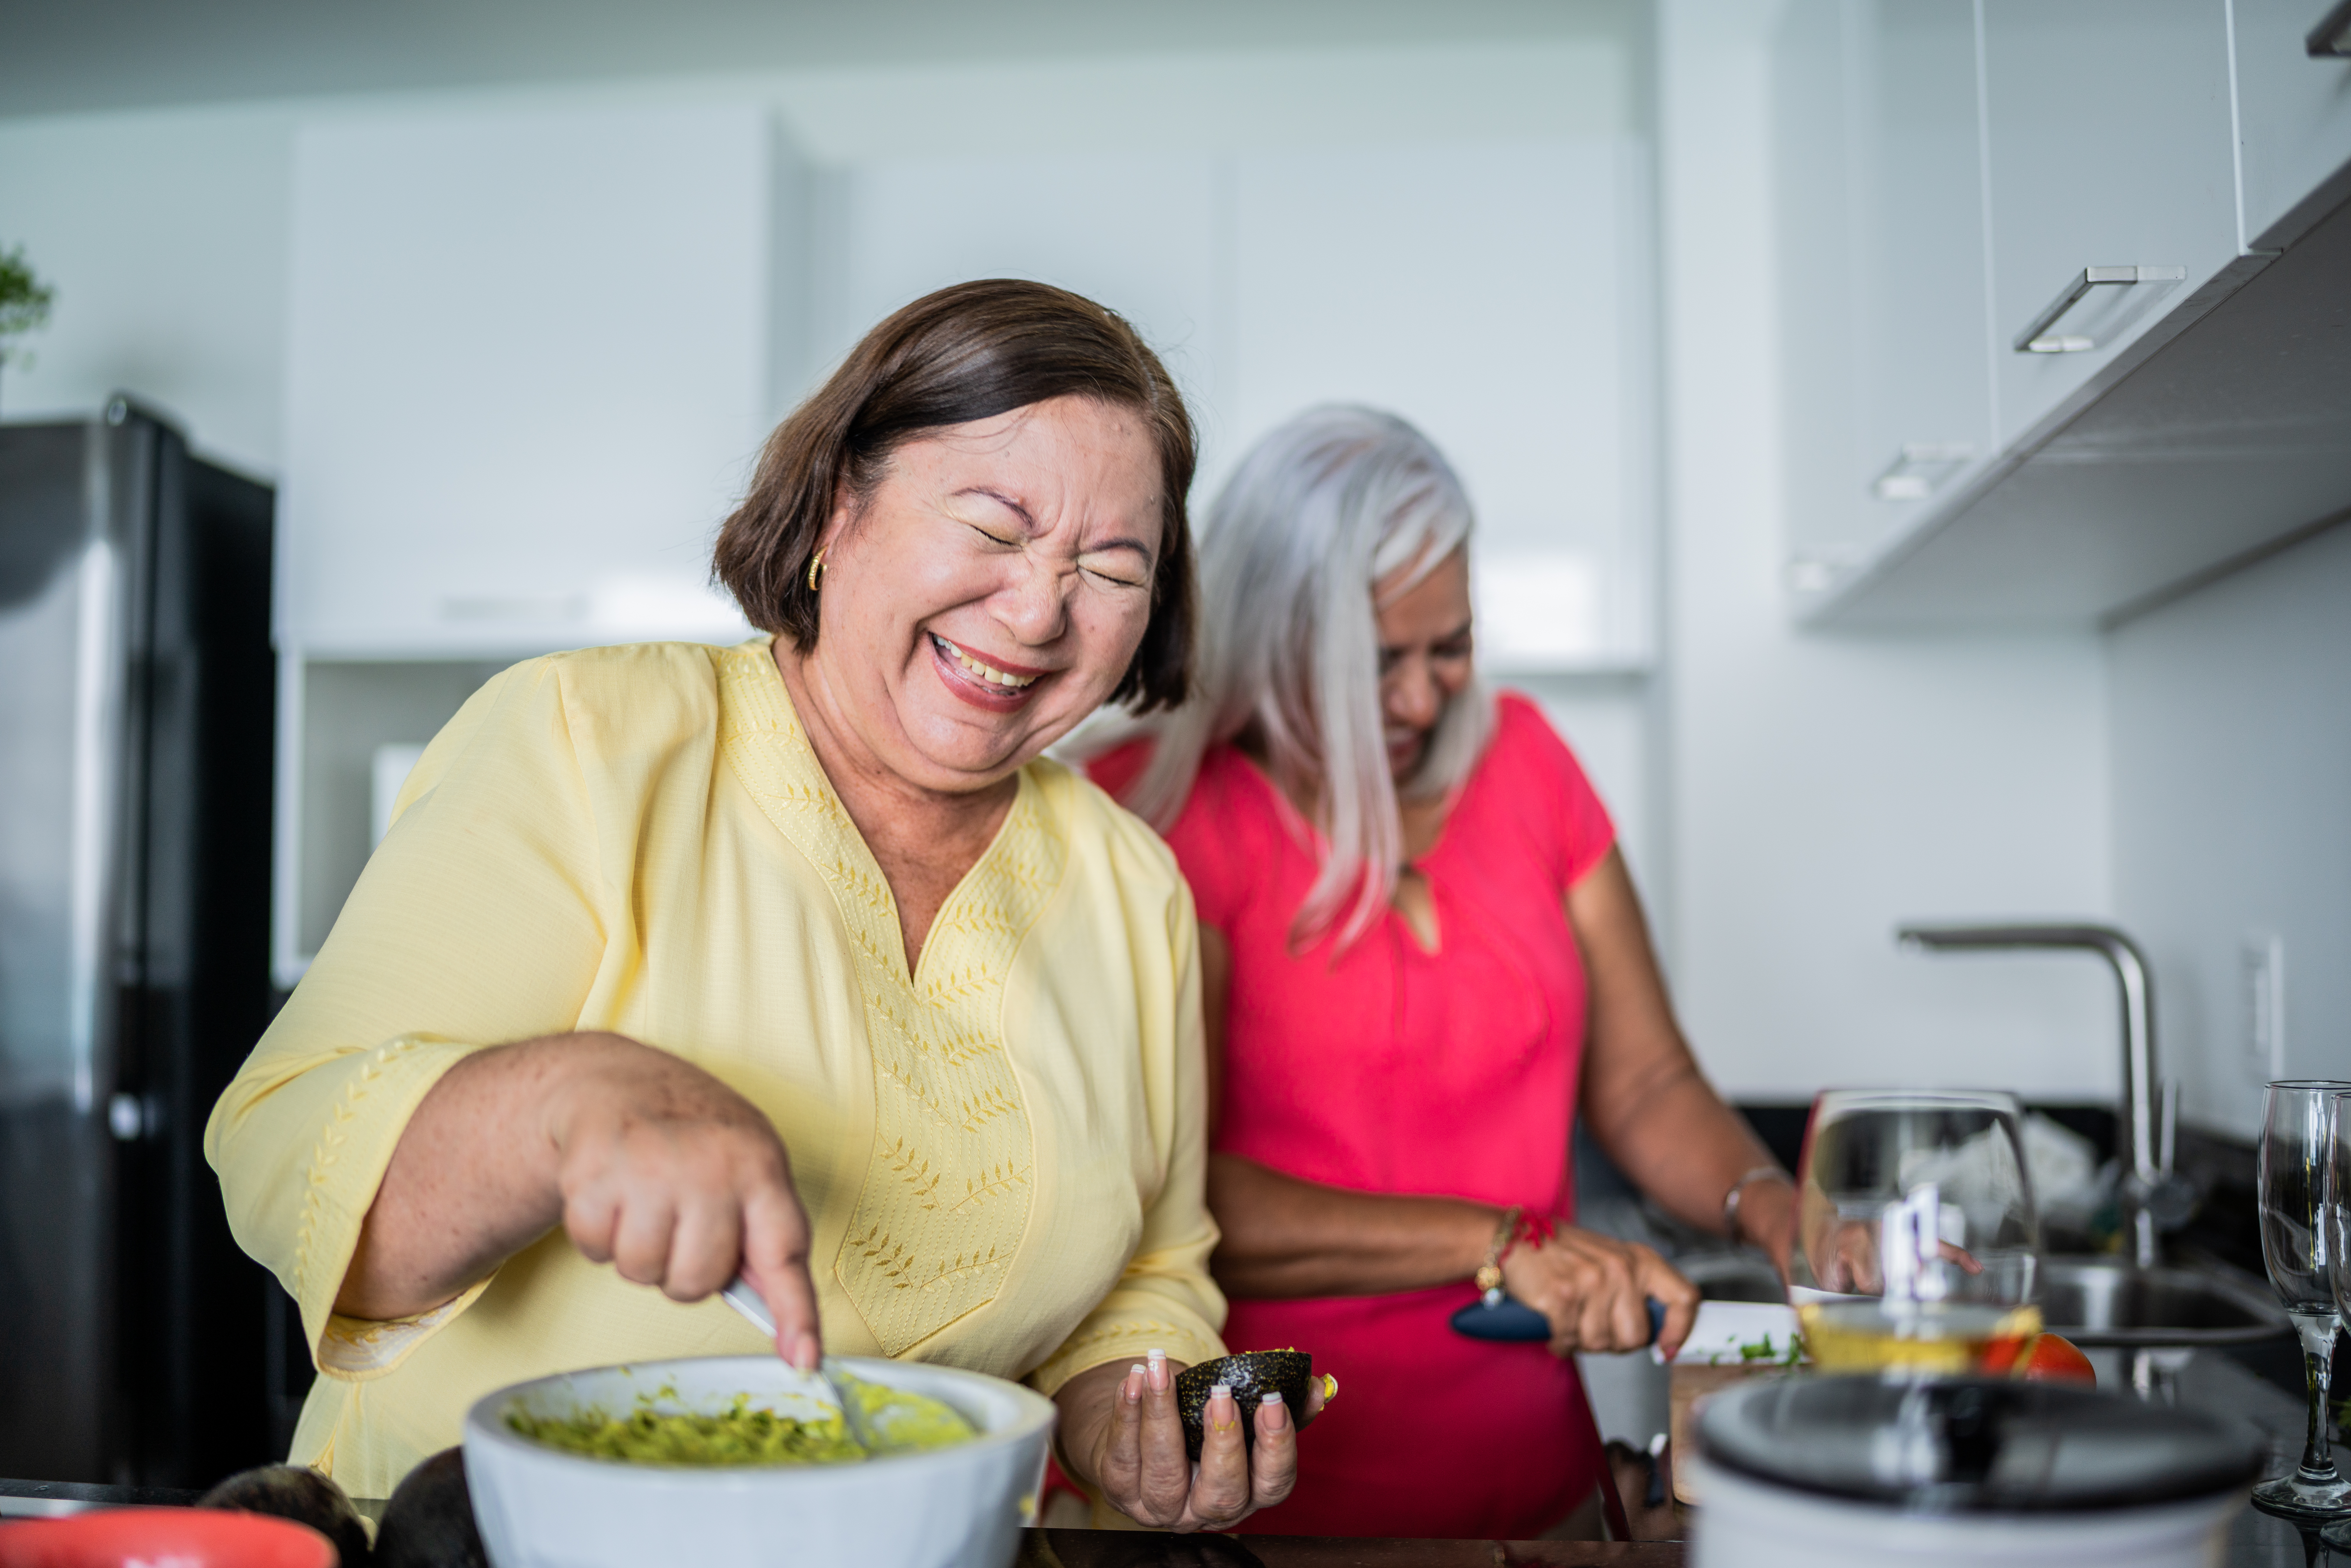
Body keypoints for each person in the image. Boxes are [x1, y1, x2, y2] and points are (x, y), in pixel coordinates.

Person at [205, 280, 1320, 1521]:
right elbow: (284, 1147)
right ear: (840, 505)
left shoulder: (1131, 888)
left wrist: (1133, 1430)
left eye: (1112, 568)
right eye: (997, 530)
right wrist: (565, 1105)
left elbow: (1145, 1275)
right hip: (491, 1543)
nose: (1041, 611)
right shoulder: (584, 742)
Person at [1088, 406, 1794, 1540]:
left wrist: (1774, 1207)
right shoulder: (1160, 820)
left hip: (1543, 1503)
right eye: (1375, 666)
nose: (1422, 700)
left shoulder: (1527, 760)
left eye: (1449, 646)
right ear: (1271, 644)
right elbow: (1167, 1196)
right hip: (1262, 1523)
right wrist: (1501, 1244)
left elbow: (1650, 1083)